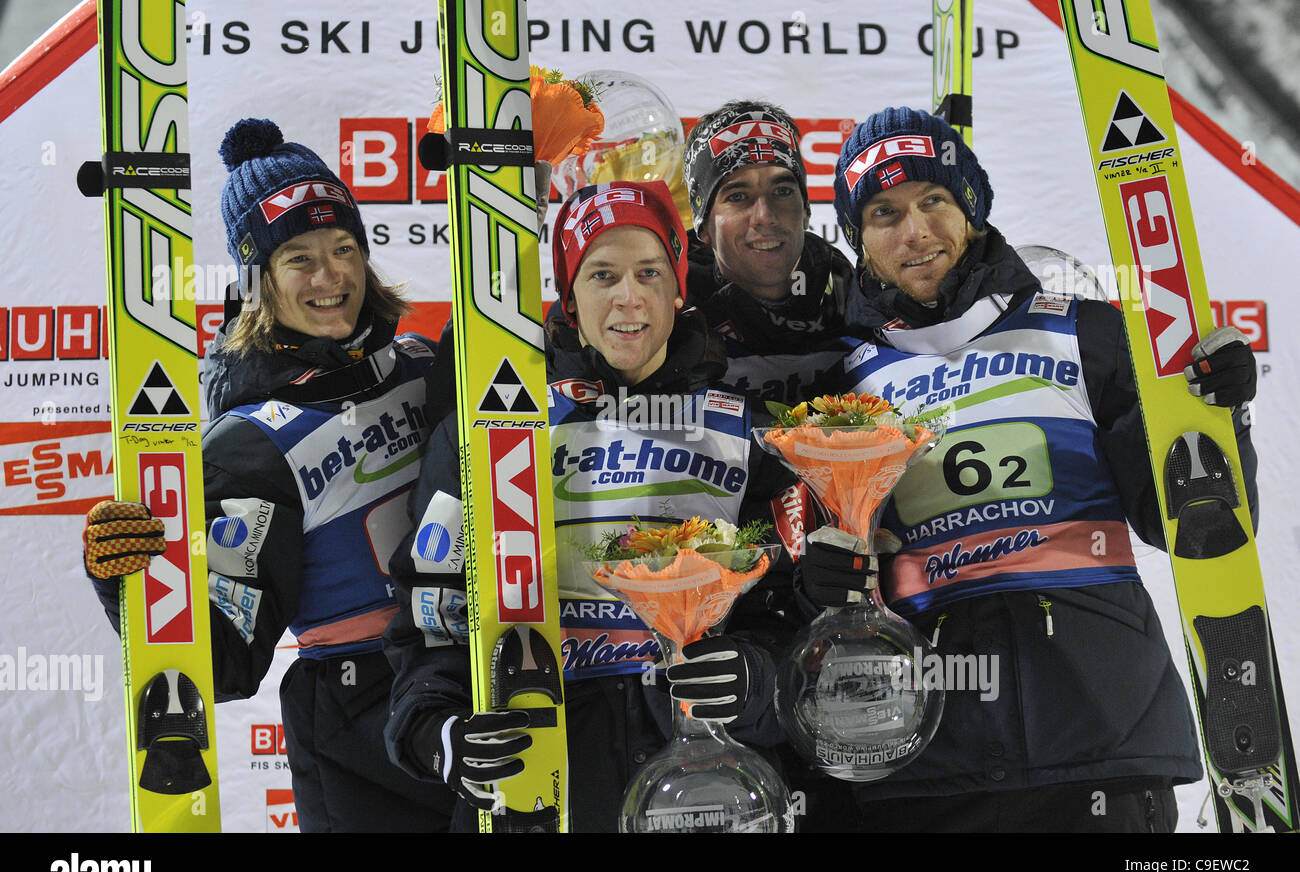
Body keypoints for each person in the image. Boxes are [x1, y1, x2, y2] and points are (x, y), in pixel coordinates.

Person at [814, 105, 1259, 832]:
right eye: (884, 213)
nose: (915, 230)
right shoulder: (844, 388)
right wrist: (823, 575)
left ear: (973, 208)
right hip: (928, 764)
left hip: (1101, 739)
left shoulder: (1085, 332)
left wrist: (1219, 413)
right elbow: (832, 562)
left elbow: (1184, 520)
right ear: (859, 243)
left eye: (935, 200)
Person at [382, 180, 796, 832]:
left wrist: (756, 678)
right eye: (602, 274)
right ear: (570, 297)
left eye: (648, 272)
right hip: (539, 791)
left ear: (678, 287)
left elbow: (796, 622)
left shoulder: (747, 435)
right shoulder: (492, 434)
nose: (628, 296)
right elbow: (432, 620)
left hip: (699, 793)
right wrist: (438, 732)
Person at [83, 118, 456, 832]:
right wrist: (128, 576)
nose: (331, 276)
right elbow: (224, 658)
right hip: (361, 731)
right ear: (257, 280)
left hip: (469, 683)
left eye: (345, 248)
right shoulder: (249, 444)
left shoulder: (420, 363)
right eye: (299, 258)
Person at [682, 101, 854, 406]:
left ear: (805, 211)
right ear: (704, 226)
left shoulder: (854, 296)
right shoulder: (668, 310)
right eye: (738, 196)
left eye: (783, 191)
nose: (765, 215)